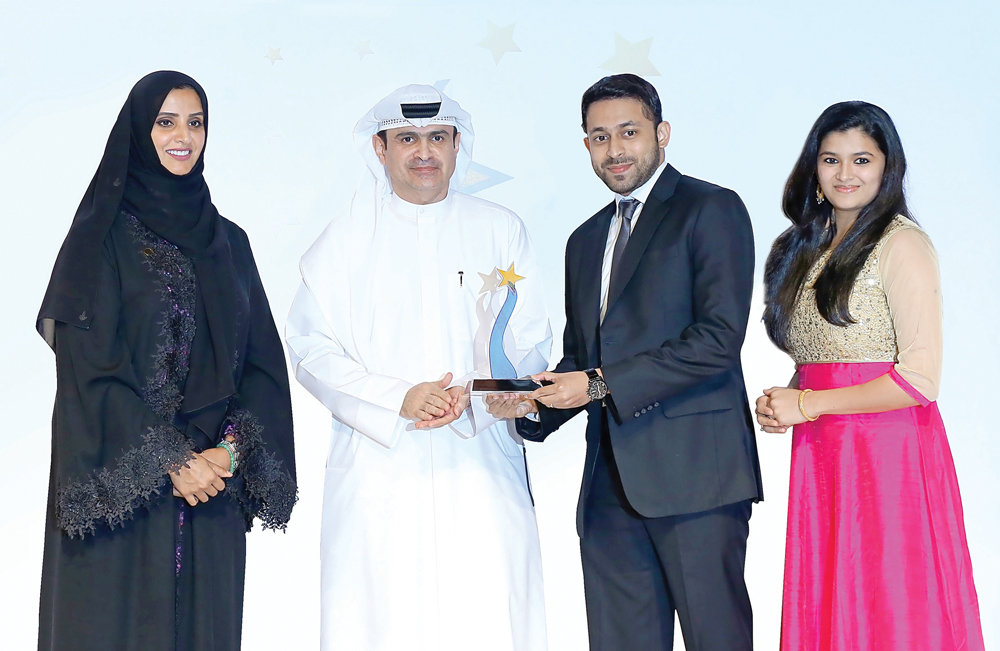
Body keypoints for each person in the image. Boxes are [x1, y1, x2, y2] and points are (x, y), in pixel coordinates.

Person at [488, 73, 761, 650]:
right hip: (609, 485)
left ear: (662, 133)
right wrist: (530, 403)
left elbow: (717, 339)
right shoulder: (585, 240)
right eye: (598, 136)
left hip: (696, 481)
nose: (614, 150)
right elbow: (585, 357)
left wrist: (596, 382)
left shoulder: (710, 208)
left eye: (628, 132)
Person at [35, 71, 297, 651]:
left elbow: (261, 369)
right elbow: (89, 372)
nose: (184, 136)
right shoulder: (101, 239)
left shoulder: (230, 244)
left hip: (211, 493)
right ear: (137, 130)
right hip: (120, 493)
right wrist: (173, 460)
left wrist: (225, 453)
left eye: (195, 122)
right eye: (165, 121)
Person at [284, 84, 551, 651]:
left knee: (487, 619)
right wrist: (397, 397)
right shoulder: (344, 241)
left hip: (482, 466)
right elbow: (311, 348)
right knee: (382, 625)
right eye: (407, 138)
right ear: (380, 149)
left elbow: (529, 338)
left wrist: (483, 397)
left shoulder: (500, 230)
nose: (423, 151)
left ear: (458, 146)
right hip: (380, 471)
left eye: (437, 137)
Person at [755, 101, 984, 651]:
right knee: (831, 598)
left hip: (889, 454)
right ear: (813, 169)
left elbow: (919, 380)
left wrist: (808, 405)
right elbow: (822, 354)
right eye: (830, 160)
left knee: (890, 601)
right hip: (825, 450)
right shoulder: (802, 248)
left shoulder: (902, 243)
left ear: (887, 167)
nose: (845, 174)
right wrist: (791, 394)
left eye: (861, 159)